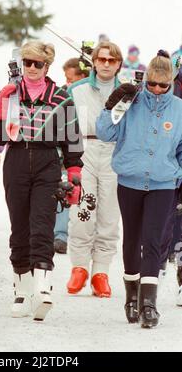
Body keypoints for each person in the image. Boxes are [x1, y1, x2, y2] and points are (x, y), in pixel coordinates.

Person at [0, 40, 83, 321]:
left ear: (47, 66)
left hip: (47, 163)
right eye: (27, 62)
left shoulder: (61, 97)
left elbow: (72, 136)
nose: (31, 68)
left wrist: (74, 171)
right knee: (19, 227)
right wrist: (1, 106)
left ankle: (42, 287)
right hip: (16, 159)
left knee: (42, 224)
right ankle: (21, 289)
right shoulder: (11, 94)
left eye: (37, 64)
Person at [96, 50, 182, 328]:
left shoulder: (179, 109)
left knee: (154, 241)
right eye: (152, 84)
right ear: (145, 81)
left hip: (162, 184)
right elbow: (105, 133)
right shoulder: (132, 102)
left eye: (163, 85)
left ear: (171, 82)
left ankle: (148, 303)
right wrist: (112, 106)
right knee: (132, 239)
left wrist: (177, 175)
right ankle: (131, 299)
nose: (156, 90)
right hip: (130, 181)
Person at [66, 41, 122, 298]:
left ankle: (101, 271)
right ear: (94, 62)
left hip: (115, 152)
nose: (106, 64)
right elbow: (65, 125)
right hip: (84, 151)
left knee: (109, 214)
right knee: (82, 210)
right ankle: (79, 267)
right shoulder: (77, 90)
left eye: (111, 60)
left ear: (118, 63)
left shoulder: (129, 92)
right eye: (102, 59)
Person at [54, 58, 90, 255]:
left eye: (71, 79)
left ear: (83, 78)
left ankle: (83, 236)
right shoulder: (62, 95)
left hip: (88, 152)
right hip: (64, 151)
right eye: (65, 79)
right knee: (64, 189)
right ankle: (59, 234)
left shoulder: (88, 96)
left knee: (85, 194)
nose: (67, 83)